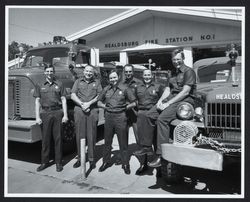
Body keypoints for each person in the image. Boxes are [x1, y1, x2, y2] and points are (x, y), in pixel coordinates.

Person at [135, 49, 196, 168]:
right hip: (172, 99)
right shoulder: (173, 72)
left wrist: (167, 104)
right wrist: (160, 101)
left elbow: (185, 92)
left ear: (183, 59)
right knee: (149, 115)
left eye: (178, 59)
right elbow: (168, 90)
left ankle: (161, 155)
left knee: (162, 119)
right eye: (174, 59)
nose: (176, 62)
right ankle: (147, 147)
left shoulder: (189, 71)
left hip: (184, 101)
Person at [97, 70, 136, 174]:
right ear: (108, 79)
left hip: (121, 117)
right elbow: (99, 101)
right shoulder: (106, 89)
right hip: (109, 117)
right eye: (111, 78)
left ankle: (125, 164)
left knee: (123, 142)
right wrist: (104, 106)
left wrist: (125, 108)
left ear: (118, 77)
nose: (113, 80)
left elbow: (134, 103)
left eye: (114, 77)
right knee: (107, 142)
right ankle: (106, 162)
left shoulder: (125, 88)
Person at [34, 64, 68, 172]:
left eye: (51, 71)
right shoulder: (39, 84)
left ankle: (58, 162)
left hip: (57, 112)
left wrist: (65, 115)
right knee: (45, 139)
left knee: (58, 139)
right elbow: (37, 101)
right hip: (45, 113)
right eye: (47, 71)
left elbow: (63, 99)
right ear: (44, 72)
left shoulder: (59, 84)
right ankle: (44, 162)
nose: (49, 73)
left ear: (54, 72)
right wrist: (37, 116)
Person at [133, 69, 165, 175]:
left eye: (149, 75)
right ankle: (144, 164)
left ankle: (159, 167)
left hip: (153, 115)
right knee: (143, 142)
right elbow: (135, 101)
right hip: (142, 115)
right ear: (143, 76)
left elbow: (162, 101)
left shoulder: (158, 87)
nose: (147, 77)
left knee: (155, 140)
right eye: (145, 75)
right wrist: (139, 112)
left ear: (152, 76)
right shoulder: (138, 87)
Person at [71, 65, 102, 169]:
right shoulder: (78, 81)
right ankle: (80, 158)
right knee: (80, 135)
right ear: (83, 72)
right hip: (79, 110)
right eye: (87, 71)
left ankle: (92, 159)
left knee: (92, 135)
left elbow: (99, 96)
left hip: (92, 110)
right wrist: (82, 104)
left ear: (93, 73)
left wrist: (89, 103)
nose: (88, 73)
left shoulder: (97, 82)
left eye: (90, 72)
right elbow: (72, 95)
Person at [122, 64, 142, 144]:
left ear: (133, 72)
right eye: (126, 71)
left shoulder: (139, 83)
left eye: (130, 71)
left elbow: (141, 99)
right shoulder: (121, 83)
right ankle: (125, 155)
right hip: (124, 113)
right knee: (123, 136)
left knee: (139, 135)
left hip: (135, 112)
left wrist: (131, 106)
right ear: (124, 72)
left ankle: (142, 155)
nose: (128, 73)